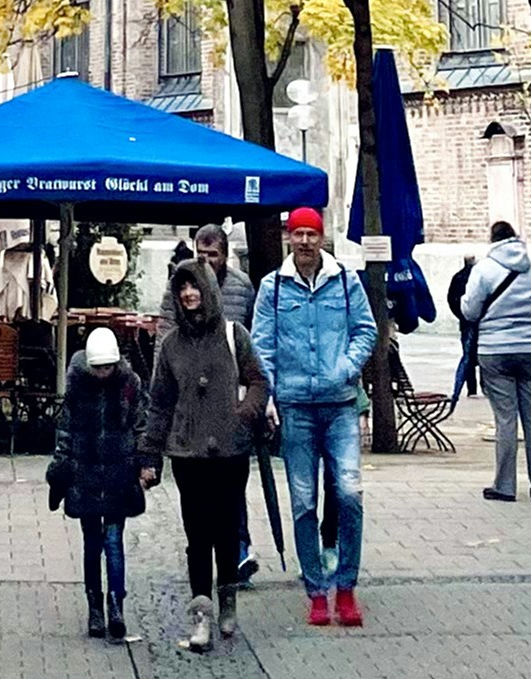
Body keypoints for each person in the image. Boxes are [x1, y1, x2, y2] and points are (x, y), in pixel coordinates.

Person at [251, 203, 376, 631]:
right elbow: (262, 345)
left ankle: (347, 587)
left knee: (350, 493)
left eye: (311, 234)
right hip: (295, 408)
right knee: (304, 501)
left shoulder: (345, 281)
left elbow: (366, 330)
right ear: (289, 237)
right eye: (298, 234)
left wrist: (347, 367)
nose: (304, 241)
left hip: (339, 404)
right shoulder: (273, 287)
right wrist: (269, 394)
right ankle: (317, 591)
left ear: (322, 238)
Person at [139, 254, 268, 651]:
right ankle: (201, 614)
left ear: (208, 289)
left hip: (229, 452)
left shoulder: (234, 335)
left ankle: (227, 597)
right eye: (182, 287)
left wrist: (243, 414)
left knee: (227, 531)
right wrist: (149, 456)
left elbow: (259, 380)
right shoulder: (172, 345)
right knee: (197, 535)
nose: (188, 293)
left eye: (194, 285)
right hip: (188, 453)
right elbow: (159, 403)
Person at [54, 323, 144, 639]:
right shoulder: (78, 388)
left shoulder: (129, 385)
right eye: (99, 367)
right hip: (87, 476)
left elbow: (139, 426)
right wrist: (60, 468)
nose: (104, 373)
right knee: (93, 544)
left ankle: (115, 604)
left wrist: (144, 463)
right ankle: (95, 606)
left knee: (113, 543)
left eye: (108, 367)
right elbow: (65, 431)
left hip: (118, 475)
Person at [460, 214, 531, 501]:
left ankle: (505, 486)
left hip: (495, 349)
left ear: (493, 241)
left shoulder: (484, 269)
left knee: (506, 419)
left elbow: (470, 311)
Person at [191, 224, 259, 585]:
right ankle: (210, 553)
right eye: (200, 255)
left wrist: (253, 398)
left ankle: (239, 549)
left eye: (212, 255)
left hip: (231, 398)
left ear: (225, 255)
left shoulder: (241, 287)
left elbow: (253, 342)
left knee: (232, 479)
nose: (205, 262)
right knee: (203, 485)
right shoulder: (184, 285)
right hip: (196, 400)